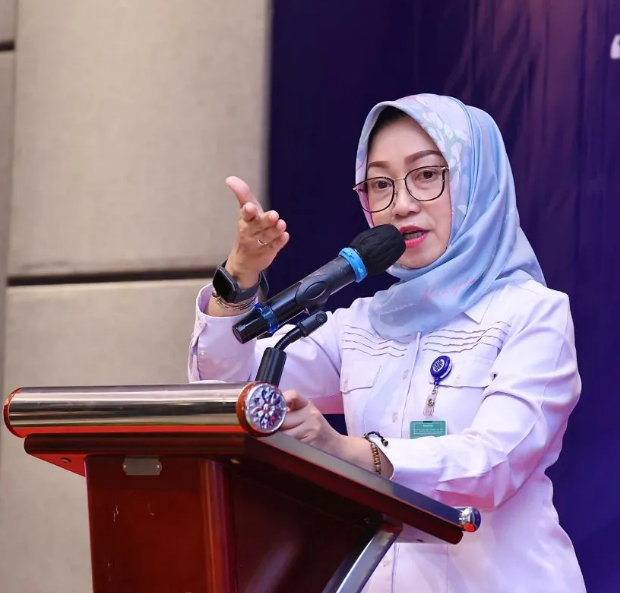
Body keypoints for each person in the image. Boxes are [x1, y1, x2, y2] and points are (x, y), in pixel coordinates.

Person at [187, 93, 586, 593]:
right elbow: (230, 389)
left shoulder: (532, 313)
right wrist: (240, 277)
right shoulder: (359, 325)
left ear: (477, 182)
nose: (401, 204)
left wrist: (349, 452)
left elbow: (493, 464)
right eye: (380, 184)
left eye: (427, 174)